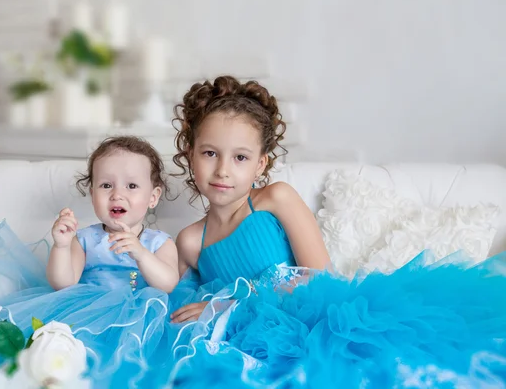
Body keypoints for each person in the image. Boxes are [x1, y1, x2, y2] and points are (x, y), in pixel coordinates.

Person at [166, 76, 506, 388]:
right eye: (210, 153)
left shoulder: (275, 198)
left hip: (311, 322)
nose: (223, 170)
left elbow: (319, 275)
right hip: (237, 340)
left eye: (240, 157)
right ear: (189, 155)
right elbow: (185, 305)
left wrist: (231, 303)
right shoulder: (191, 241)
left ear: (261, 164)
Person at [0, 135, 179, 386]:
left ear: (153, 197)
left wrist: (141, 253)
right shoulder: (86, 238)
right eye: (106, 185)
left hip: (140, 318)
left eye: (131, 186)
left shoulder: (159, 242)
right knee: (65, 354)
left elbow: (168, 283)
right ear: (92, 192)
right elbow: (63, 282)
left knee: (134, 366)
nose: (117, 195)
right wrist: (62, 245)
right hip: (87, 310)